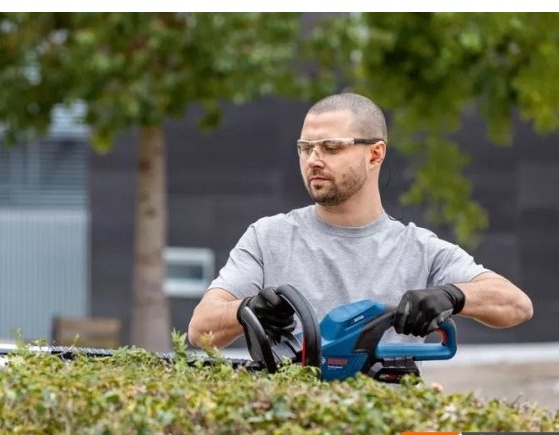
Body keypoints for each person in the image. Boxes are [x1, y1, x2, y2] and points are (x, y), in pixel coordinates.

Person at [188, 93, 533, 350]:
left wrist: (453, 296)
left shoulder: (419, 248)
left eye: (331, 147)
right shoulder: (267, 237)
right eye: (306, 148)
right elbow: (199, 330)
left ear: (375, 154)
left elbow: (516, 305)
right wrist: (245, 310)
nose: (313, 160)